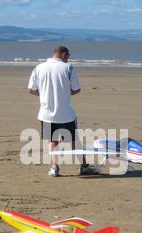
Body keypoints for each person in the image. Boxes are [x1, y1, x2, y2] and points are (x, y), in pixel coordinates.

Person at [28, 45, 100, 177]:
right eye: (68, 57)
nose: (68, 59)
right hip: (65, 113)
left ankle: (55, 167)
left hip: (46, 112)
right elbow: (76, 89)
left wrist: (44, 95)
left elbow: (31, 89)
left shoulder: (38, 68)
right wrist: (64, 94)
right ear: (63, 55)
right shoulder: (68, 68)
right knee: (74, 141)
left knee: (52, 140)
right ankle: (83, 166)